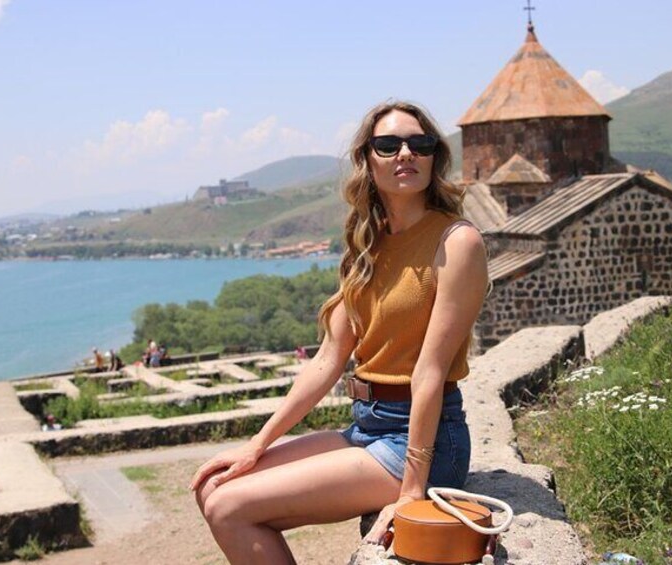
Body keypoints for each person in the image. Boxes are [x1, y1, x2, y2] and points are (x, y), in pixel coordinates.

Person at [190, 101, 488, 564]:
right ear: (368, 159)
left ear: (434, 156)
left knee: (229, 507)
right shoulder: (366, 247)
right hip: (367, 426)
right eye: (388, 145)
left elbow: (429, 371)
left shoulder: (457, 242)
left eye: (420, 143)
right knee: (213, 485)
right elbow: (328, 359)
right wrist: (258, 444)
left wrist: (412, 492)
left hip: (424, 440)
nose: (405, 153)